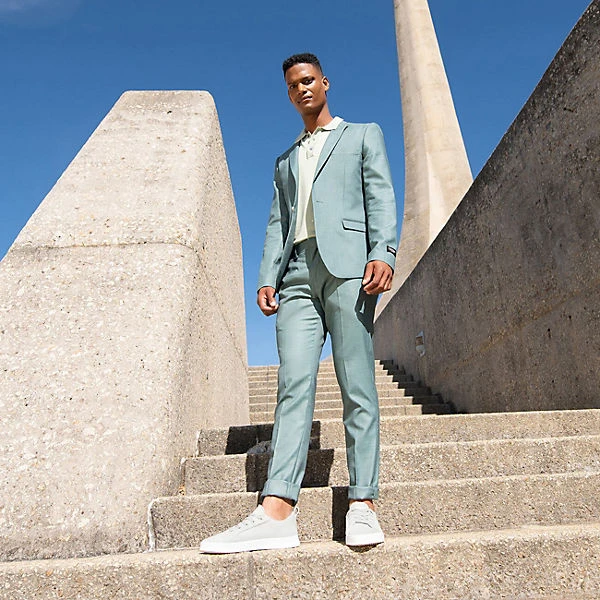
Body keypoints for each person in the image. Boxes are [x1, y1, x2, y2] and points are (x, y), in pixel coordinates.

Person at [200, 52, 397, 554]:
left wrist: (384, 252)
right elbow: (277, 224)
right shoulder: (285, 160)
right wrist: (268, 276)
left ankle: (363, 502)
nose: (302, 89)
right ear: (288, 95)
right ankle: (277, 509)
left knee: (356, 383)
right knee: (292, 384)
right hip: (297, 277)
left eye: (308, 80)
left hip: (350, 269)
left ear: (325, 83)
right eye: (293, 85)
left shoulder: (362, 135)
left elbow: (380, 196)